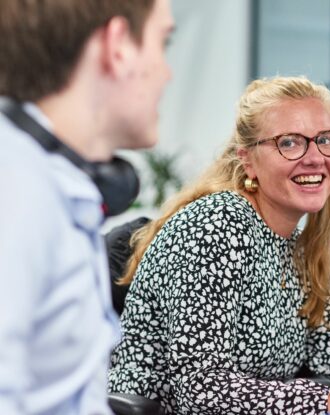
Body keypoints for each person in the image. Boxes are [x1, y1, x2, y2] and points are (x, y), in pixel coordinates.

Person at [109, 76, 330, 415]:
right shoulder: (216, 224)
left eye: (325, 139)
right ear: (248, 161)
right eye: (289, 142)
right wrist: (327, 401)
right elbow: (202, 392)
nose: (316, 158)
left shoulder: (298, 251)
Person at [0, 1, 175, 413]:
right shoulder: (19, 193)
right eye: (162, 43)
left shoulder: (53, 185)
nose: (166, 73)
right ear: (118, 47)